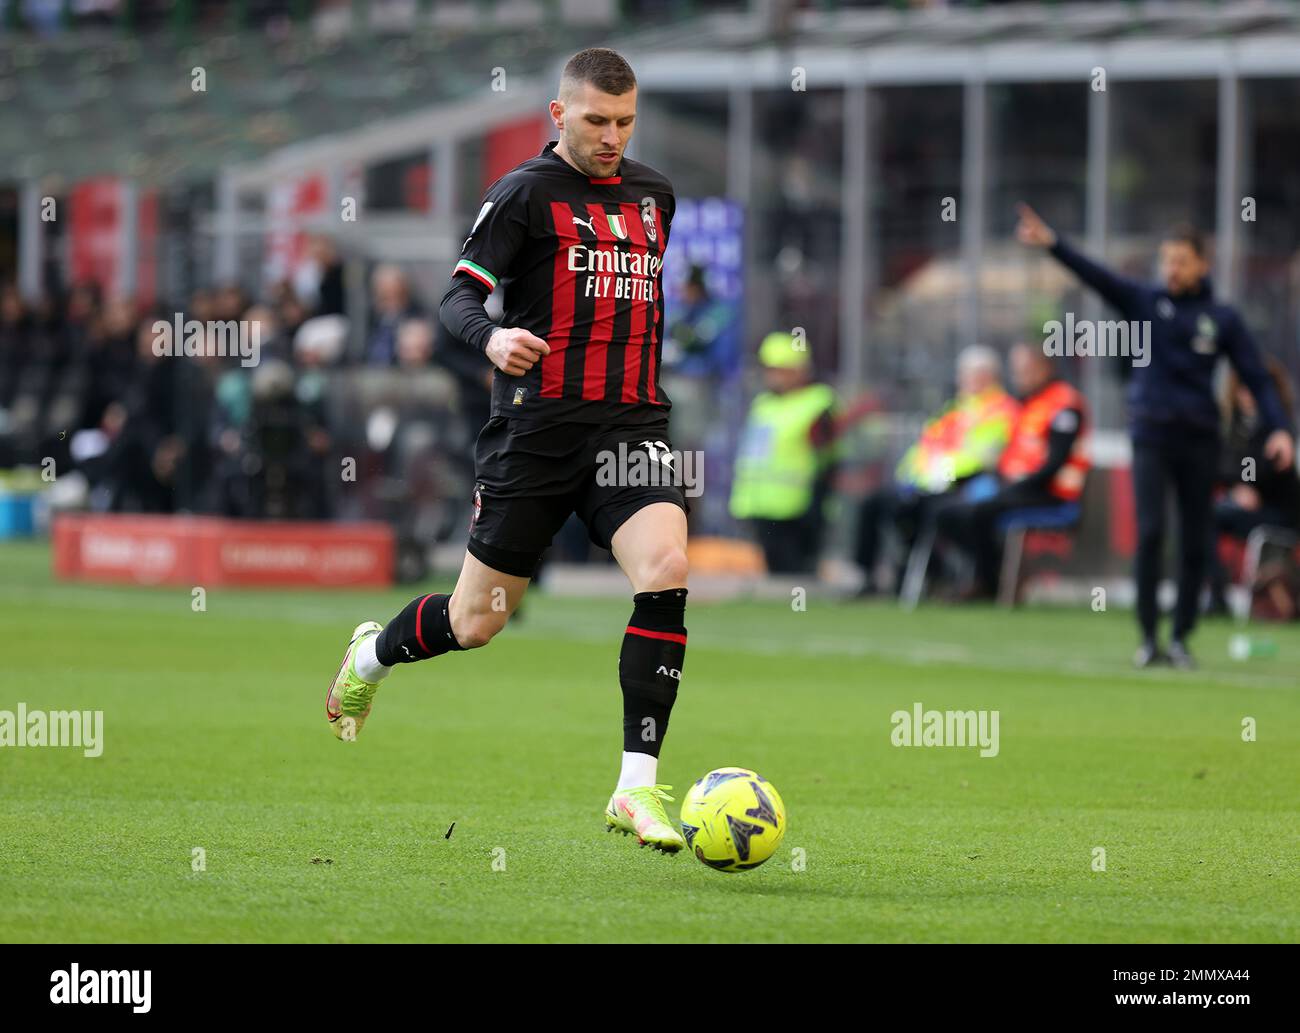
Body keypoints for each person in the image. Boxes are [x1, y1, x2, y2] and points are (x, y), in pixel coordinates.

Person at [324, 48, 692, 853]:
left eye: (625, 122)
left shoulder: (656, 195)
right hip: (534, 435)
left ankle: (635, 787)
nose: (612, 137)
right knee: (477, 620)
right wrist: (492, 339)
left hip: (630, 427)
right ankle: (372, 654)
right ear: (558, 115)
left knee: (664, 571)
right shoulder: (524, 194)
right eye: (596, 120)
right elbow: (459, 294)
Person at [1016, 204, 1296, 667]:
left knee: (1195, 537)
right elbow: (1098, 277)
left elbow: (1257, 377)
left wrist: (1282, 429)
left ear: (1202, 264)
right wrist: (1053, 244)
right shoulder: (1145, 301)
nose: (1172, 269)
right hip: (1150, 435)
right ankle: (1149, 638)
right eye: (1167, 260)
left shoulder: (1221, 317)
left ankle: (1182, 637)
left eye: (1181, 260)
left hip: (1199, 438)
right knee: (1150, 533)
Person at [855, 345, 1018, 595]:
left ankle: (936, 574)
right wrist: (909, 475)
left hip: (963, 485)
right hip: (926, 482)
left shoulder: (1003, 410)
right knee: (874, 504)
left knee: (925, 511)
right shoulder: (955, 409)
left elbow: (983, 455)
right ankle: (869, 578)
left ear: (988, 376)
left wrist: (941, 472)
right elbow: (926, 445)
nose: (961, 380)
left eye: (968, 374)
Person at [933, 345, 1089, 600]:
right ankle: (993, 574)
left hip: (1050, 492)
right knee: (946, 511)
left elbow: (1055, 463)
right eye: (1016, 372)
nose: (1020, 378)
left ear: (1045, 369)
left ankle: (990, 581)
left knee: (980, 511)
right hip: (1012, 487)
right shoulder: (1026, 404)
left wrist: (1014, 487)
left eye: (1027, 371)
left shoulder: (1064, 404)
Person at [728, 331, 838, 574]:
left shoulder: (818, 403)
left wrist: (818, 502)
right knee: (775, 576)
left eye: (780, 369)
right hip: (760, 505)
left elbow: (828, 457)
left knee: (795, 577)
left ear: (799, 370)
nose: (773, 376)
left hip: (797, 511)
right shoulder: (764, 403)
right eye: (770, 369)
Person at [1208, 360, 1300, 611]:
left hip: (1277, 514)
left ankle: (1218, 598)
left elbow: (1263, 470)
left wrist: (1246, 483)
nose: (1247, 396)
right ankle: (1215, 594)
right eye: (1243, 389)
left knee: (1211, 517)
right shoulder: (1234, 428)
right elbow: (1220, 466)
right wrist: (1237, 487)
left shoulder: (1278, 431)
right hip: (1247, 511)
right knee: (1201, 518)